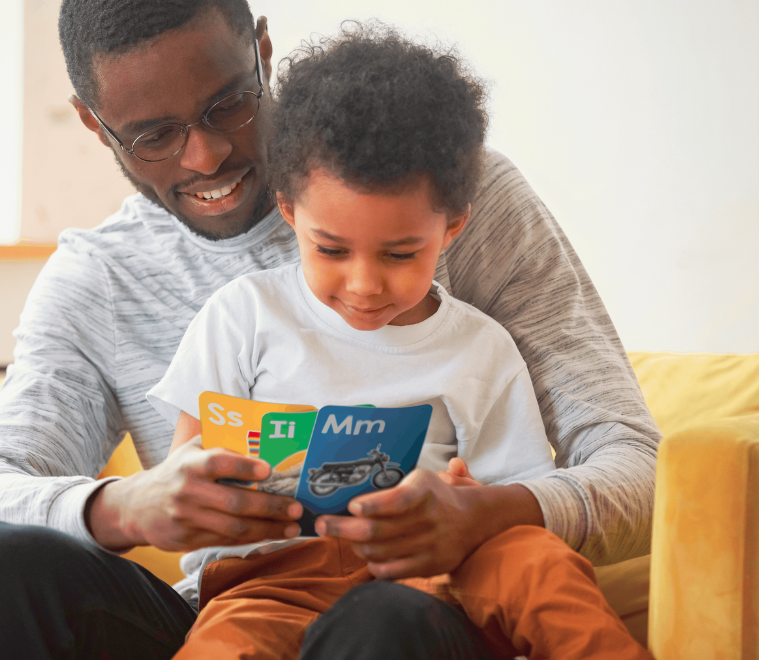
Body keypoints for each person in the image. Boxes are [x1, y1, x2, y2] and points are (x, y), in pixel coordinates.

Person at [0, 1, 660, 658]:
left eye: (229, 105)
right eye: (153, 136)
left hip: (422, 608)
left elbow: (639, 464)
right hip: (256, 598)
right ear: (96, 125)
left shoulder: (445, 189)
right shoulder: (101, 281)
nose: (205, 156)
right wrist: (129, 507)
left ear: (263, 52)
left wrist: (492, 512)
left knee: (385, 619)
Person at [142, 25, 652, 660]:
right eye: (330, 249)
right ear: (291, 213)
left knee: (540, 567)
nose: (363, 284)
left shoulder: (481, 347)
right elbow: (182, 485)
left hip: (443, 572)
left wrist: (474, 506)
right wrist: (216, 498)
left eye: (400, 253)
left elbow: (517, 493)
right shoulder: (242, 317)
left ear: (452, 228)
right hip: (281, 576)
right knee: (226, 639)